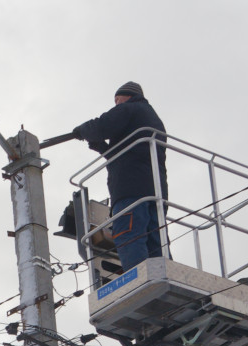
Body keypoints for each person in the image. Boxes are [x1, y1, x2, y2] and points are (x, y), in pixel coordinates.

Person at [46, 81, 168, 271]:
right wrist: (103, 148)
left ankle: (139, 280)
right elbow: (133, 154)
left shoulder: (131, 108)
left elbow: (102, 125)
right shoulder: (151, 119)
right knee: (155, 241)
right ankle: (161, 275)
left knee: (129, 234)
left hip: (130, 190)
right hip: (154, 191)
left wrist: (82, 130)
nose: (116, 104)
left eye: (118, 100)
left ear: (128, 96)